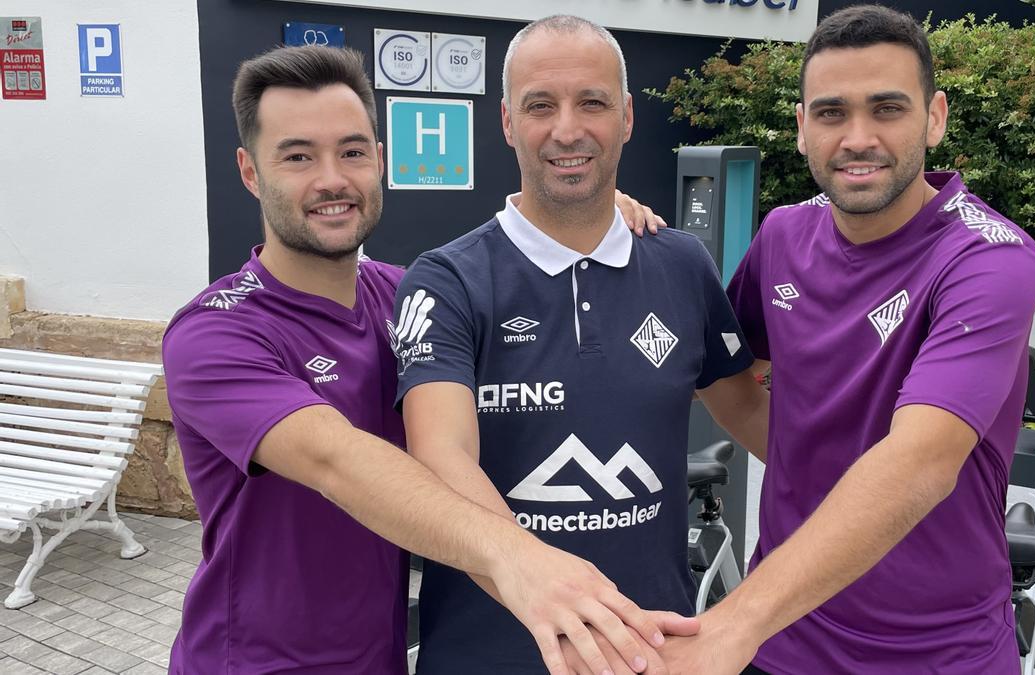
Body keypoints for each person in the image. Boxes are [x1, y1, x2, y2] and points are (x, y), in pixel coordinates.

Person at [161, 44, 680, 675]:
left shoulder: (408, 293)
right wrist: (519, 559)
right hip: (254, 663)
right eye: (297, 157)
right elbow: (337, 461)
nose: (332, 179)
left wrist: (597, 213)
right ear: (250, 171)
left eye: (352, 152)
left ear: (379, 161)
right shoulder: (217, 334)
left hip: (383, 658)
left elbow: (514, 271)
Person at [644, 6, 1035, 673]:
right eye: (831, 113)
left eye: (887, 108)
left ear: (935, 117)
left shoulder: (988, 259)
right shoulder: (782, 236)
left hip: (940, 655)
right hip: (784, 645)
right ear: (802, 129)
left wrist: (735, 619)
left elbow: (920, 460)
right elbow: (725, 373)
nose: (858, 137)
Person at [390, 15, 771, 674]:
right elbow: (440, 454)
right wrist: (541, 575)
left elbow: (752, 413)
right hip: (486, 656)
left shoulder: (681, 264)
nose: (567, 129)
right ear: (508, 122)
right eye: (541, 105)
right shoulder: (447, 278)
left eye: (591, 102)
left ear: (625, 117)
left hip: (652, 652)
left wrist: (875, 490)